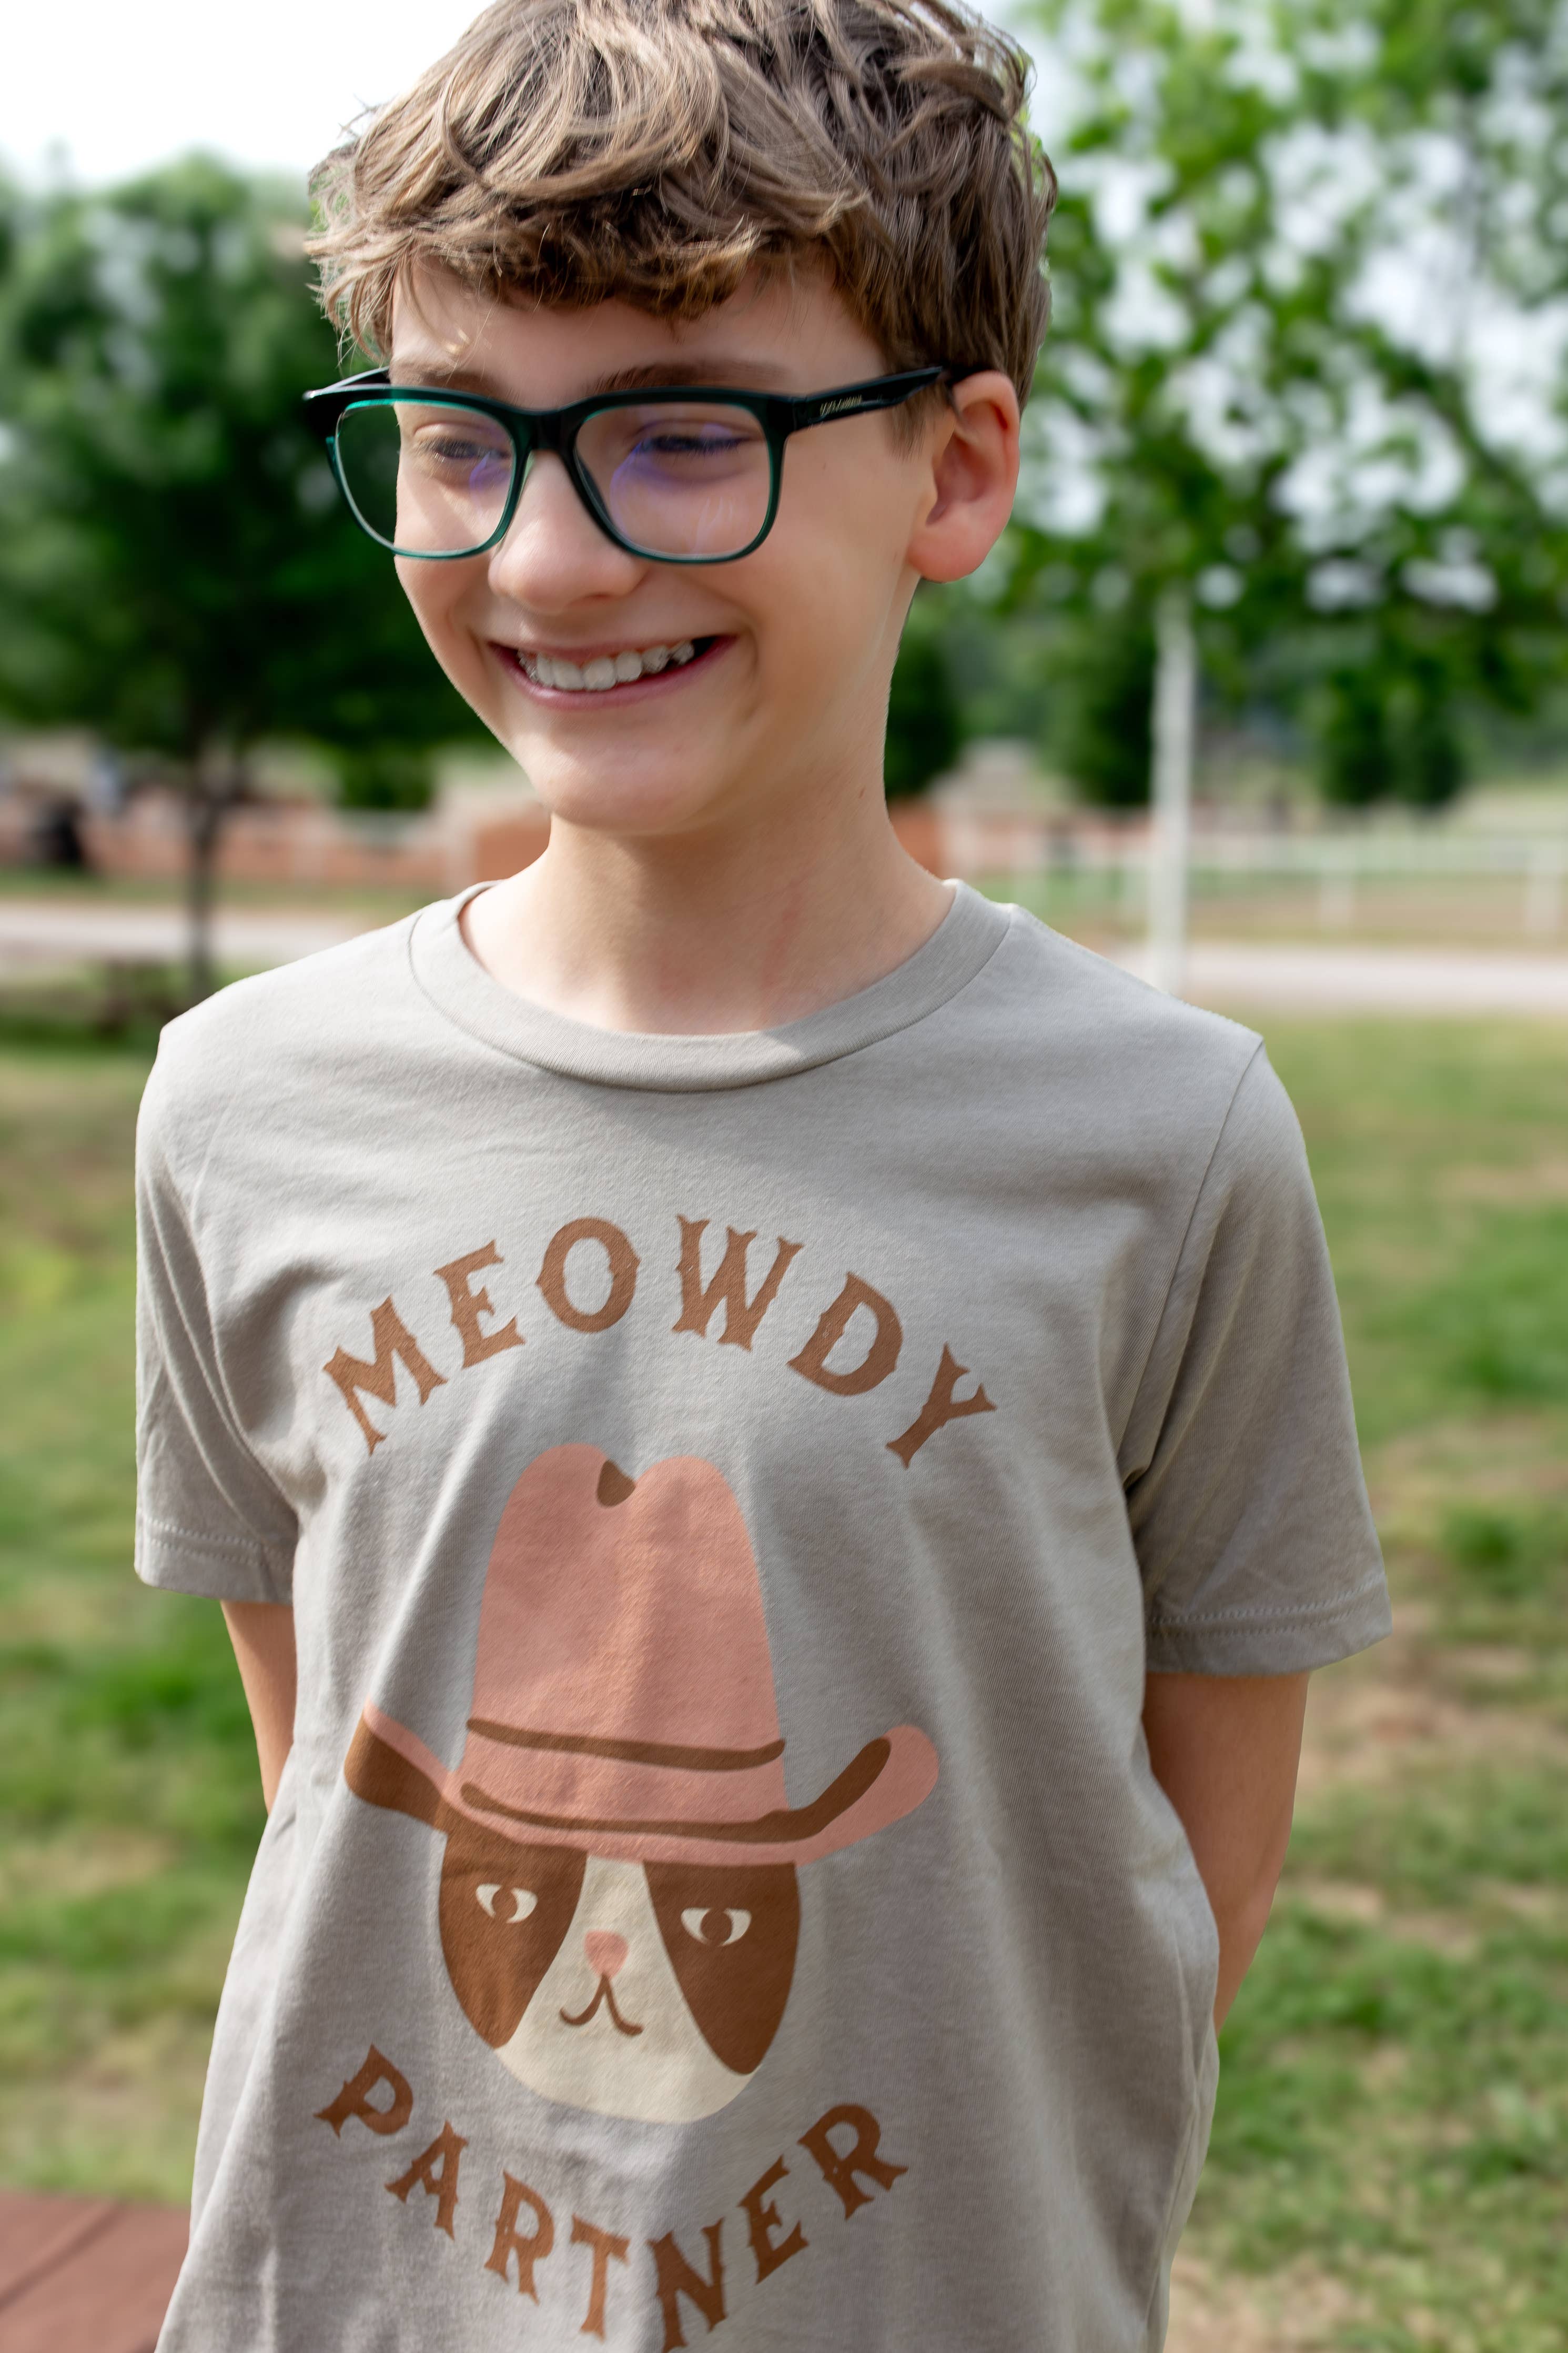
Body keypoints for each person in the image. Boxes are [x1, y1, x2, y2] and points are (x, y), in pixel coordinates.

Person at [133, 3, 1390, 2346]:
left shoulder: (1169, 1134)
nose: (546, 555)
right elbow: (326, 1770)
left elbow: (1169, 1874)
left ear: (955, 471)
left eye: (683, 435)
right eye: (457, 437)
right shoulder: (240, 1100)